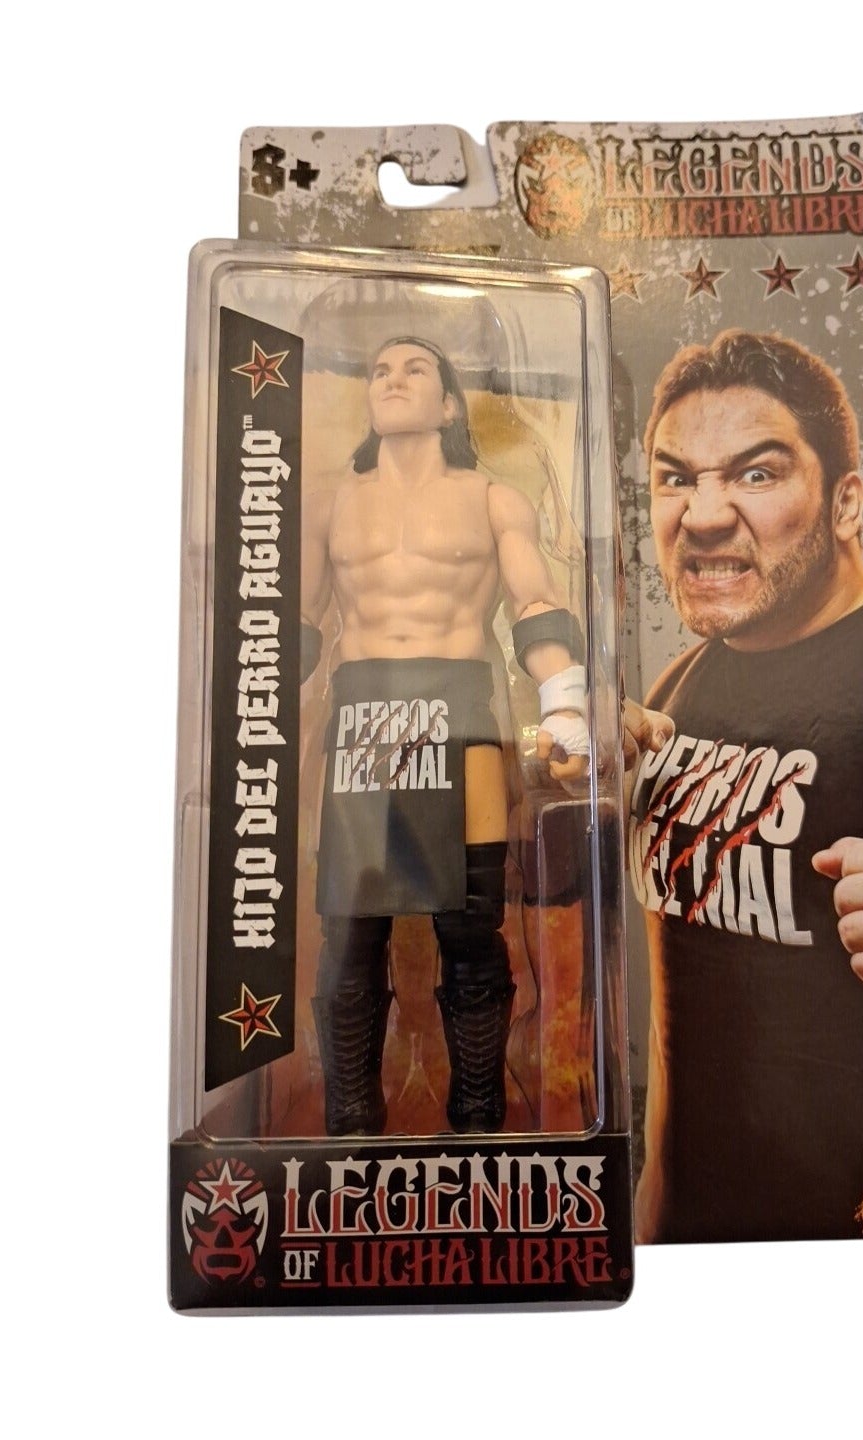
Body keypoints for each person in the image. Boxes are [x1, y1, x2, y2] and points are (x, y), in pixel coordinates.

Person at [628, 329, 863, 1241]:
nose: (702, 515)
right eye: (675, 478)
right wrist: (652, 1218)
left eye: (757, 473)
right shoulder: (674, 691)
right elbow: (676, 1023)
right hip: (692, 1243)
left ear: (847, 501)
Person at [300, 337, 588, 1135]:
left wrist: (564, 703)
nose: (391, 380)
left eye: (414, 369)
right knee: (349, 928)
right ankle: (351, 1122)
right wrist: (254, 717)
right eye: (379, 371)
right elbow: (295, 624)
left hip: (460, 711)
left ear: (449, 404)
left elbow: (535, 601)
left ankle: (478, 1117)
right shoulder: (331, 504)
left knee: (470, 921)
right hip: (360, 713)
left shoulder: (493, 499)